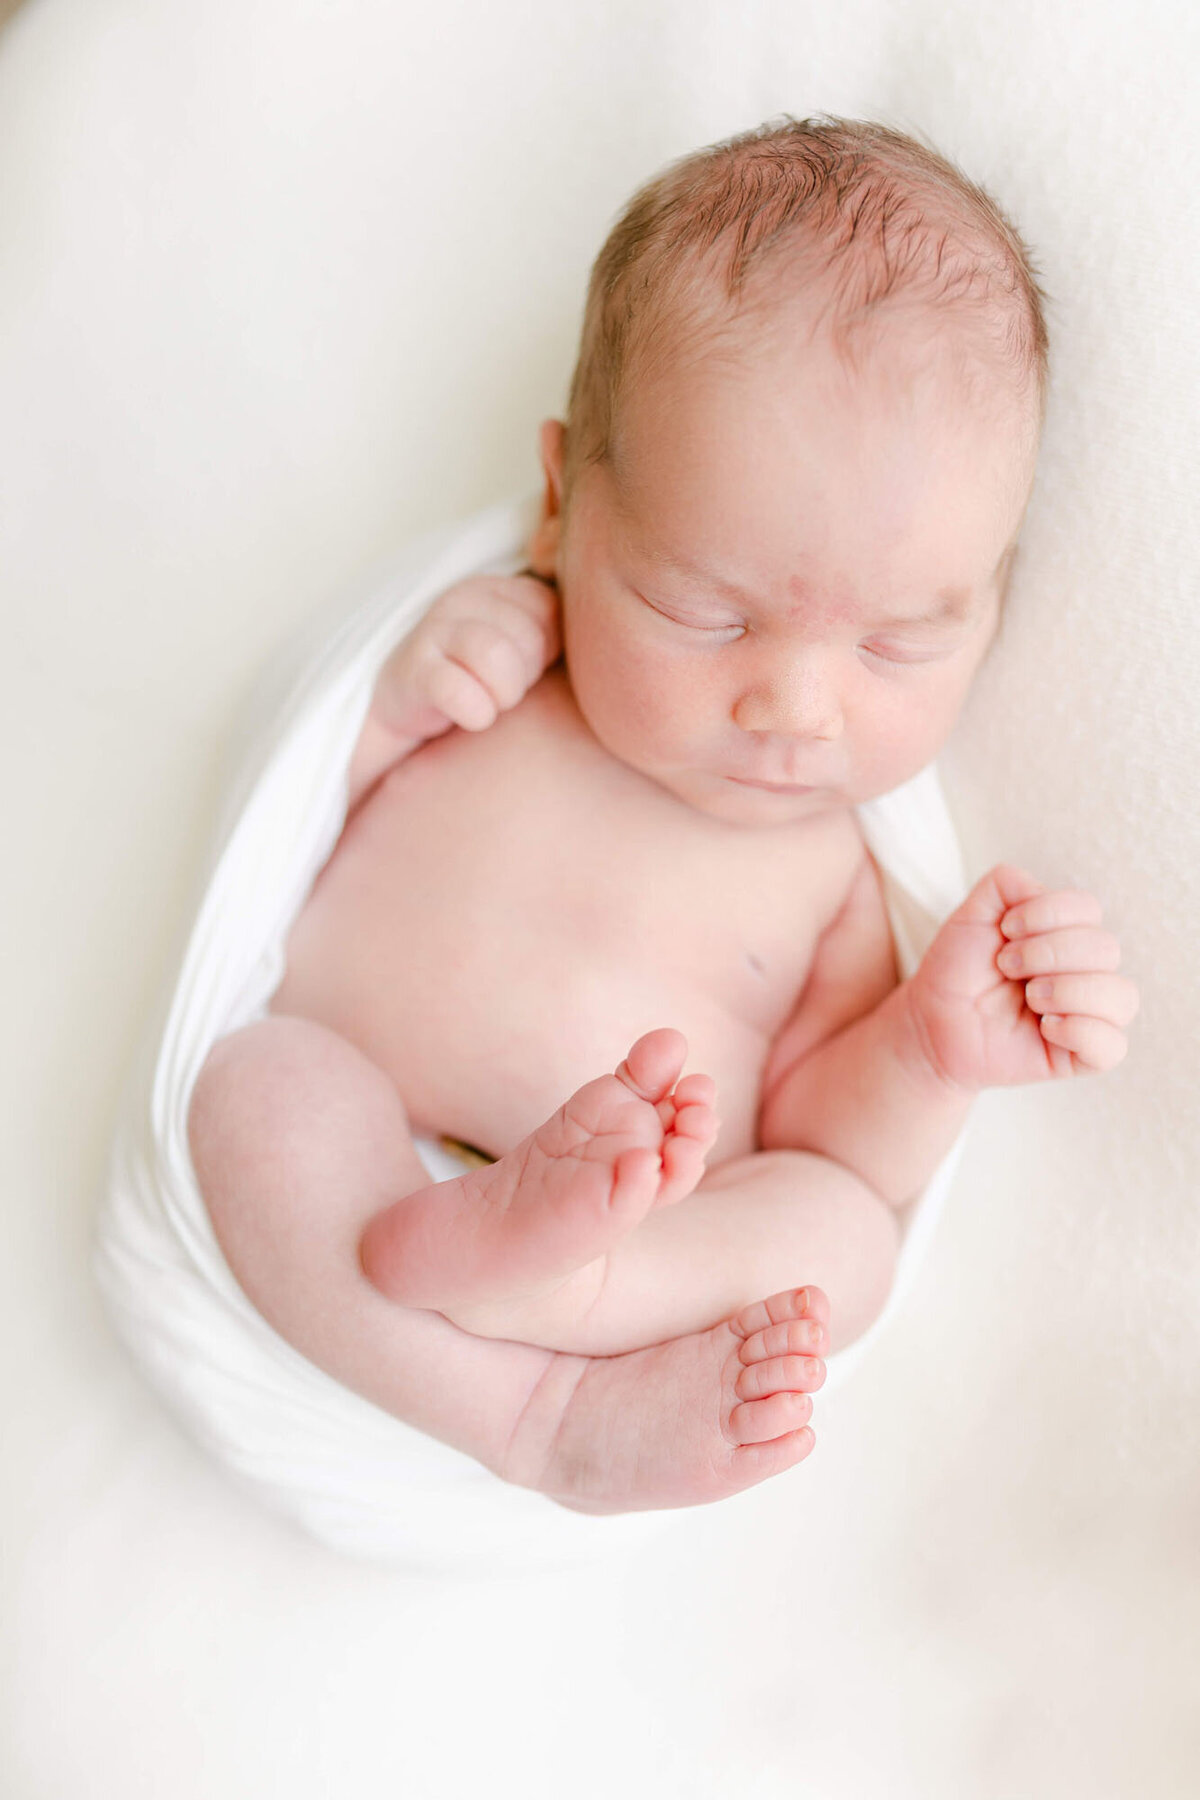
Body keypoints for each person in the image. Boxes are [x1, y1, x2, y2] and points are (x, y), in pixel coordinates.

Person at [186, 117, 1138, 1516]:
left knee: (841, 1242)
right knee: (257, 1094)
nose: (796, 708)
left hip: (632, 1266)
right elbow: (281, 812)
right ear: (566, 508)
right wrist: (391, 702)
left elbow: (824, 1135)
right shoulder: (508, 664)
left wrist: (935, 1050)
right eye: (705, 611)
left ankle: (573, 1307)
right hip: (360, 1166)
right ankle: (529, 1414)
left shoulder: (834, 874)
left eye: (897, 647)